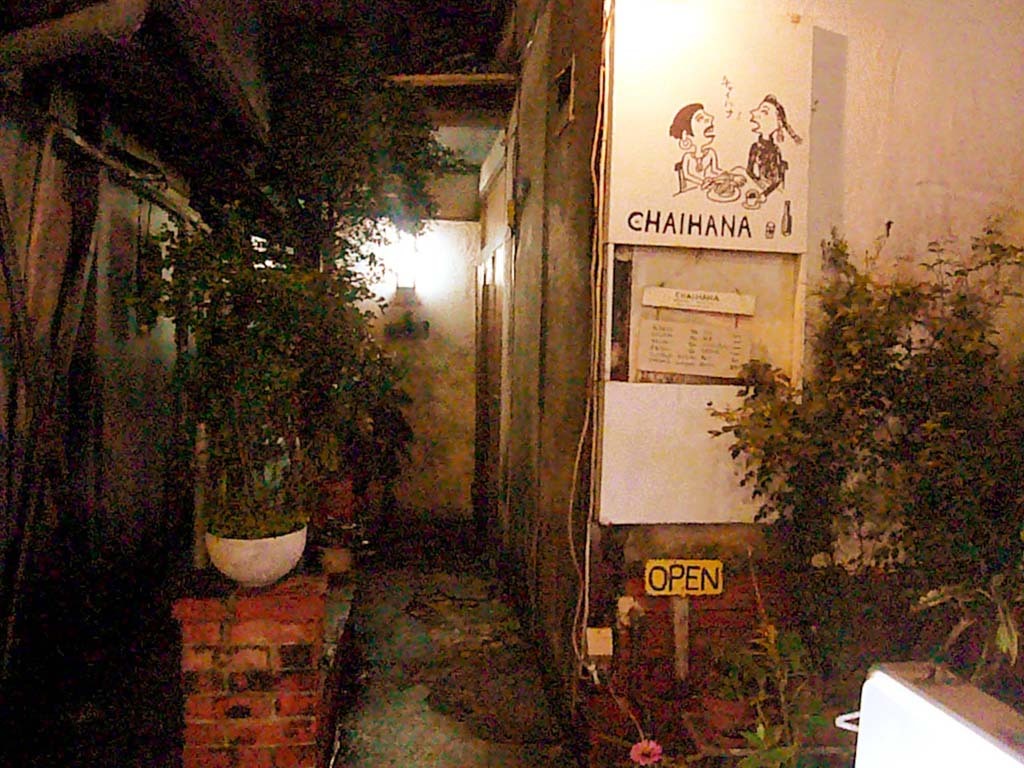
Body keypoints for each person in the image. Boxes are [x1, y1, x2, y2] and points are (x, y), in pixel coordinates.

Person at [746, 94, 802, 198]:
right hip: (761, 188)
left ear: (777, 124)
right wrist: (759, 184)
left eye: (764, 112)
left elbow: (778, 180)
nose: (755, 114)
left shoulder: (775, 150)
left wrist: (765, 193)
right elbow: (749, 171)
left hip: (774, 193)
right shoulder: (755, 147)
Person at [669, 102, 722, 194]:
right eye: (700, 118)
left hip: (706, 190)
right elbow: (687, 175)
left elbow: (715, 170)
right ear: (686, 135)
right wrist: (702, 182)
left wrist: (726, 175)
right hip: (692, 193)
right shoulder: (688, 157)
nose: (710, 118)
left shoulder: (710, 153)